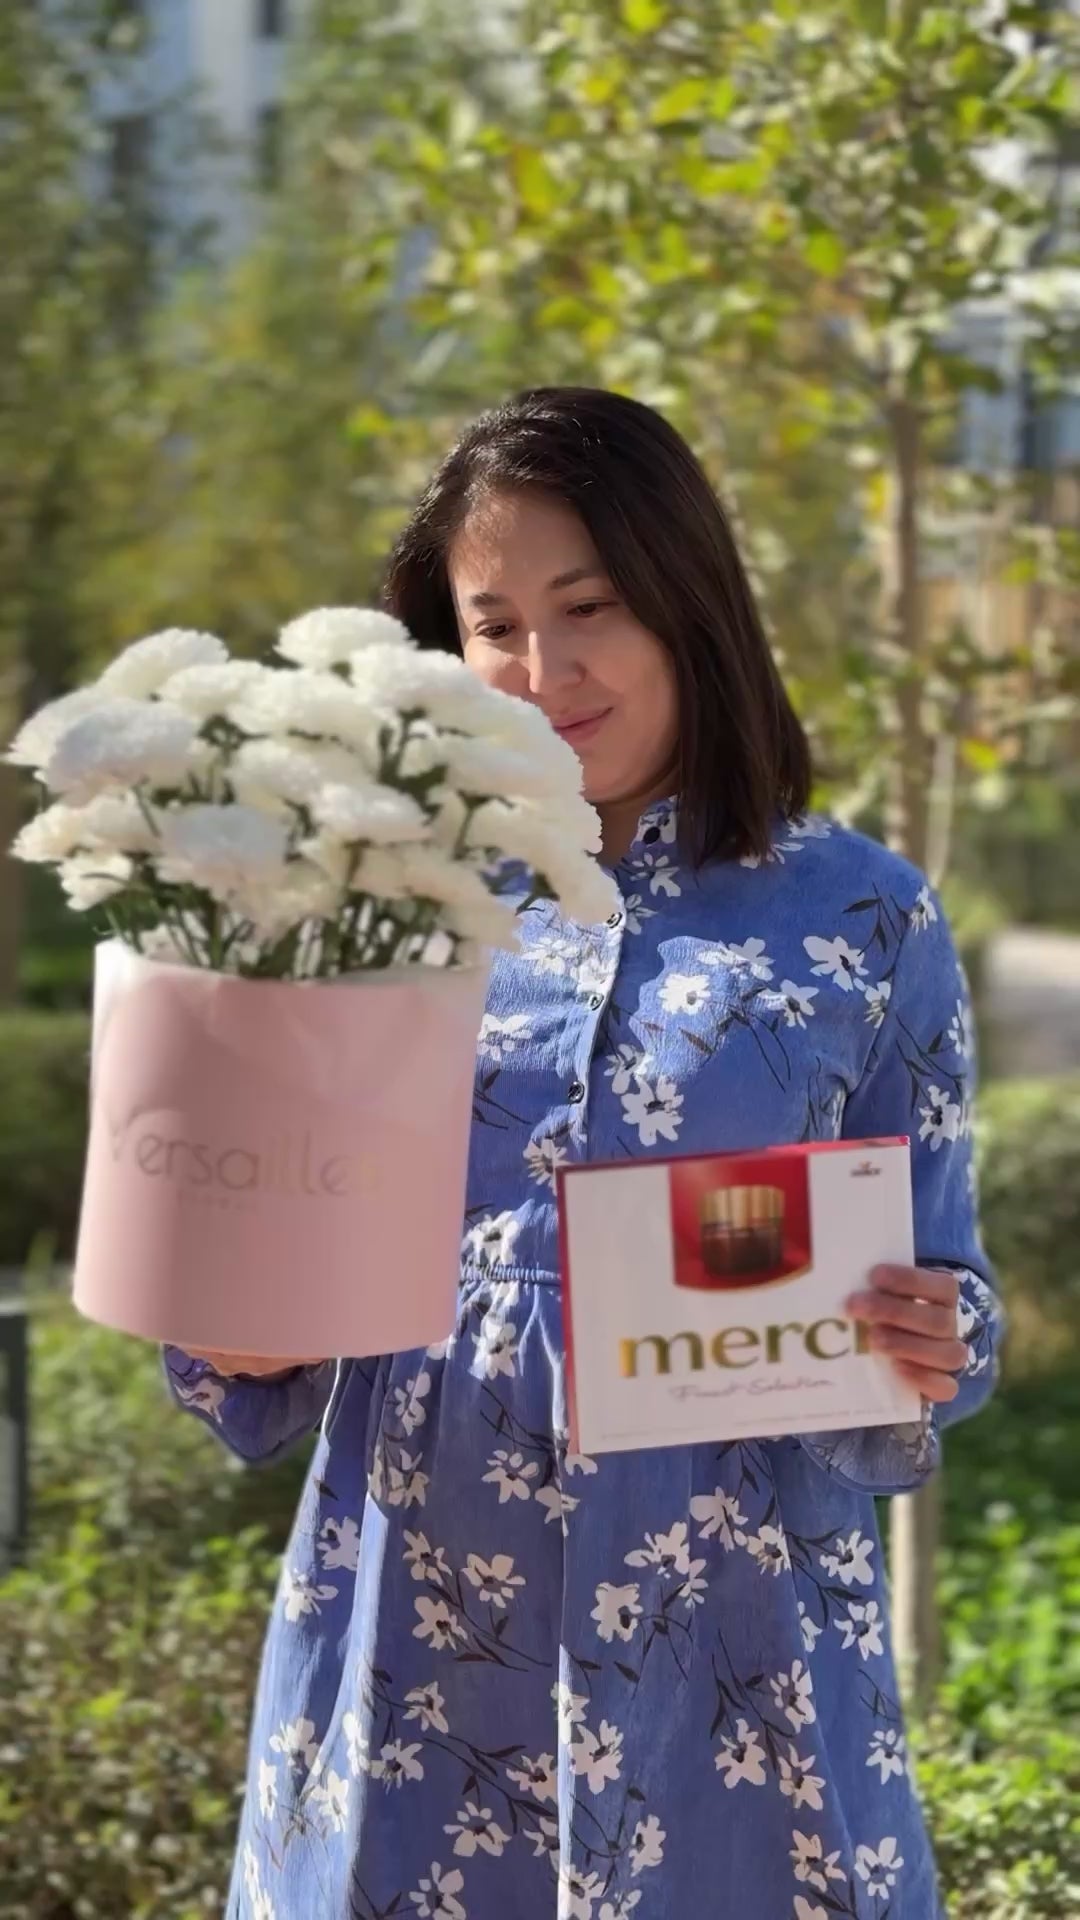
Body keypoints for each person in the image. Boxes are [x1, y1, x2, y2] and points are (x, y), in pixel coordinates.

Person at [167, 388, 1000, 1920]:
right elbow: (255, 1279)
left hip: (736, 1632)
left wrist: (938, 1334)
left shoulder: (863, 915)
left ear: (685, 600)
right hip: (424, 1603)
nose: (544, 673)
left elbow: (942, 1268)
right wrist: (232, 1317)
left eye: (589, 607)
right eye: (495, 627)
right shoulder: (381, 903)